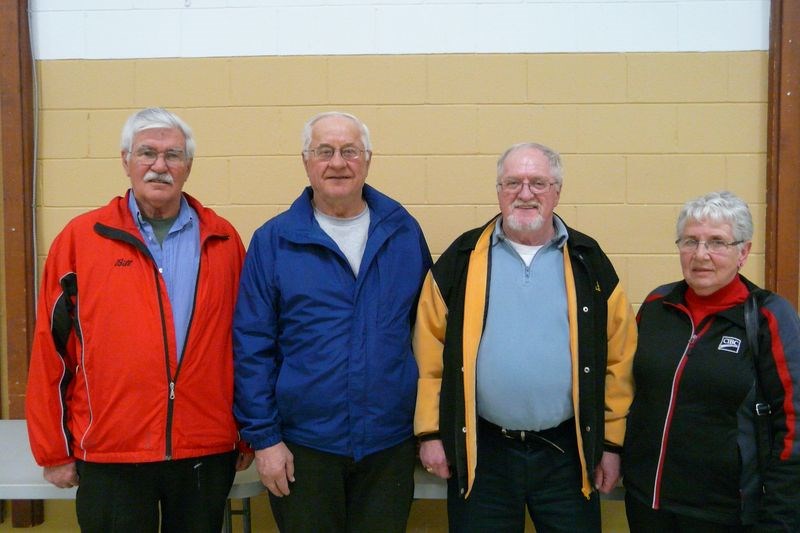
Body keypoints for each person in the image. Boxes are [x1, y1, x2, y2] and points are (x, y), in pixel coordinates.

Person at [25, 107, 252, 533]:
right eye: (147, 153)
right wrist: (53, 449)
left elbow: (243, 346)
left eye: (173, 156)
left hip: (204, 449)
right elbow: (51, 350)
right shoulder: (80, 240)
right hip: (112, 451)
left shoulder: (223, 240)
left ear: (188, 166)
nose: (160, 166)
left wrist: (245, 432)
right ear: (125, 160)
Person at [413, 142, 637, 532]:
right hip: (483, 453)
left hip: (568, 454)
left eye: (538, 182)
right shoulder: (462, 259)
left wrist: (613, 444)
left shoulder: (588, 260)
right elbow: (428, 355)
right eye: (512, 182)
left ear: (557, 191)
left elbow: (620, 358)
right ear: (499, 190)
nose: (525, 193)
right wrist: (430, 433)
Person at [233, 111, 432, 532]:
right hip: (304, 447)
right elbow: (252, 346)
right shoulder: (274, 240)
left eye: (349, 151)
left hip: (388, 444)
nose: (337, 163)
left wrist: (428, 429)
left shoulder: (402, 232)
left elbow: (428, 333)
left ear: (368, 160)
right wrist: (265, 439)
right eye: (325, 151)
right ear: (306, 161)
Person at [623, 191, 800, 532]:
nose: (701, 254)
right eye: (691, 241)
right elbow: (629, 391)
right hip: (647, 503)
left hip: (724, 513)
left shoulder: (768, 317)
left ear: (743, 252)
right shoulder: (658, 305)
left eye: (717, 242)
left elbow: (794, 423)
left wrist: (781, 514)